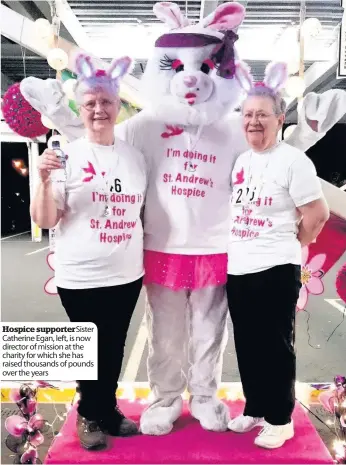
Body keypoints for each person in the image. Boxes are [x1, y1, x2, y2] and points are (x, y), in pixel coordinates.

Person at [21, 1, 346, 437]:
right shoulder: (145, 125)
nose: (190, 79)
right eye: (174, 67)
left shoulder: (235, 125)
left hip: (219, 249)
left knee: (211, 335)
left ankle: (207, 396)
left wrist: (306, 129)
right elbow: (98, 140)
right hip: (159, 249)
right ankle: (166, 398)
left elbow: (274, 152)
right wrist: (62, 116)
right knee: (166, 337)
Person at [30, 54, 147, 450]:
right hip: (80, 275)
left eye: (106, 101)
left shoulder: (135, 158)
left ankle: (107, 410)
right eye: (90, 102)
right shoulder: (65, 154)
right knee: (90, 346)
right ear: (80, 108)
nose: (99, 109)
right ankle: (90, 415)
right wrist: (44, 180)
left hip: (127, 273)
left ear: (119, 106)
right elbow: (47, 218)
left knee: (114, 344)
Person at [226, 62, 330, 449]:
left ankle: (280, 418)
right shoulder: (243, 161)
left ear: (280, 119)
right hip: (239, 267)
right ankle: (255, 408)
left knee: (275, 346)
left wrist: (288, 243)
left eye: (262, 115)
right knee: (248, 343)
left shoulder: (293, 161)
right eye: (248, 114)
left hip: (275, 268)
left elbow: (316, 215)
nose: (253, 121)